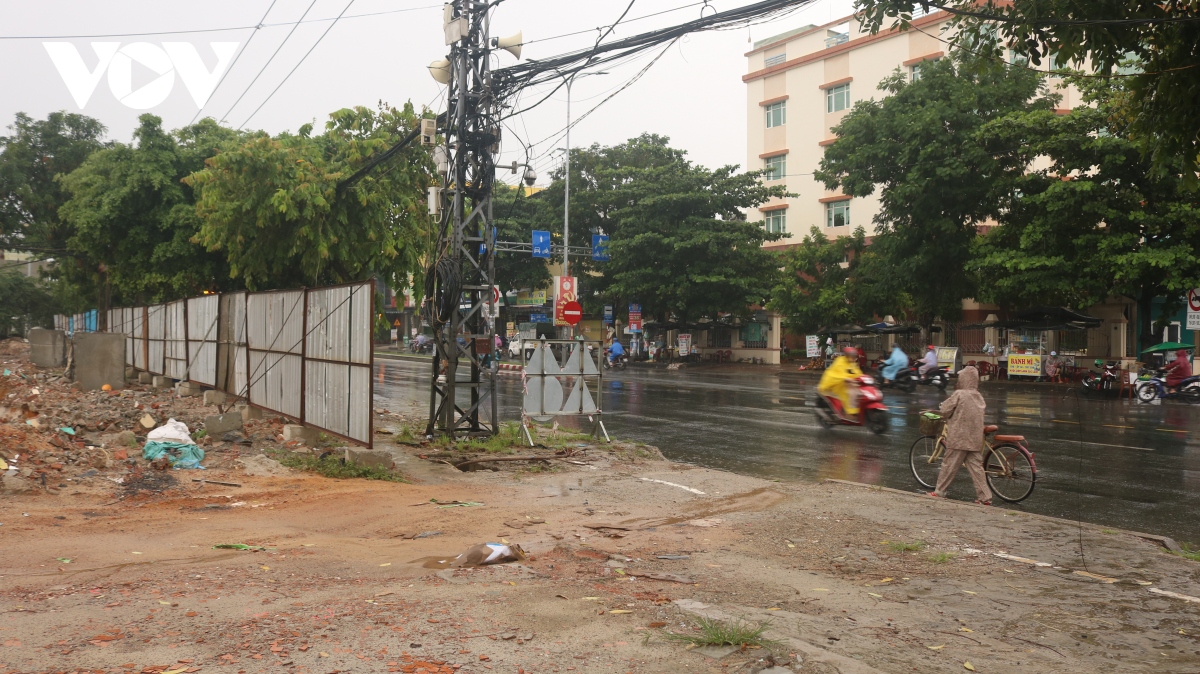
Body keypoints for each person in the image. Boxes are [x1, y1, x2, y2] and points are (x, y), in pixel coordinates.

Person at [928, 365, 992, 505]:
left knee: (949, 465)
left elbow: (945, 410)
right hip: (975, 439)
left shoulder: (959, 394)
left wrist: (942, 409)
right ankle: (985, 497)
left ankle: (939, 491)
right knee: (976, 468)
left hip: (959, 437)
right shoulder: (978, 396)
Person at [818, 346, 864, 418]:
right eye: (852, 356)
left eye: (854, 356)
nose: (854, 358)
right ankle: (851, 412)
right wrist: (846, 378)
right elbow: (839, 373)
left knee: (860, 392)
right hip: (834, 383)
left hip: (846, 383)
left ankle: (857, 410)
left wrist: (863, 378)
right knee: (850, 393)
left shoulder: (852, 363)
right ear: (847, 355)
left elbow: (857, 373)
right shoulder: (840, 361)